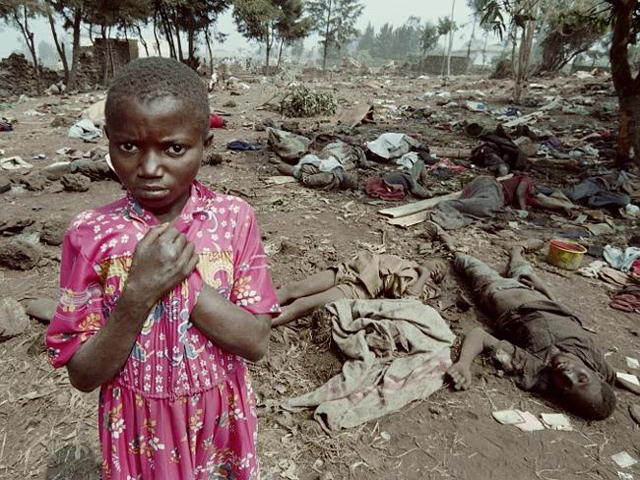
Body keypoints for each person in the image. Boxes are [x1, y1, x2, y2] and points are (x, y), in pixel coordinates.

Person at [45, 57, 280, 479]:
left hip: (219, 422)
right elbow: (83, 374)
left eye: (174, 149)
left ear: (205, 144)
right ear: (108, 140)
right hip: (137, 428)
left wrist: (180, 280)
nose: (150, 168)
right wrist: (138, 293)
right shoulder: (90, 234)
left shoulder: (234, 219)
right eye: (129, 147)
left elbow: (255, 341)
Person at [447, 244, 616, 421]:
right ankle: (516, 250)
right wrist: (544, 289)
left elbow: (479, 336)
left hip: (497, 289)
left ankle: (449, 243)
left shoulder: (533, 368)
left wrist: (463, 363)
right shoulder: (596, 362)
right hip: (537, 291)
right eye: (582, 378)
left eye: (566, 385)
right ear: (598, 375)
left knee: (466, 261)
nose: (567, 374)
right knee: (520, 265)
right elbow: (613, 377)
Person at [273, 251, 446, 327]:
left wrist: (424, 275)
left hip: (360, 289)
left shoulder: (424, 286)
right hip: (350, 270)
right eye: (438, 265)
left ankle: (260, 323)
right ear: (429, 259)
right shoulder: (405, 261)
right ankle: (256, 304)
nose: (437, 271)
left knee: (302, 305)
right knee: (292, 289)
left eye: (439, 275)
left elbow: (409, 300)